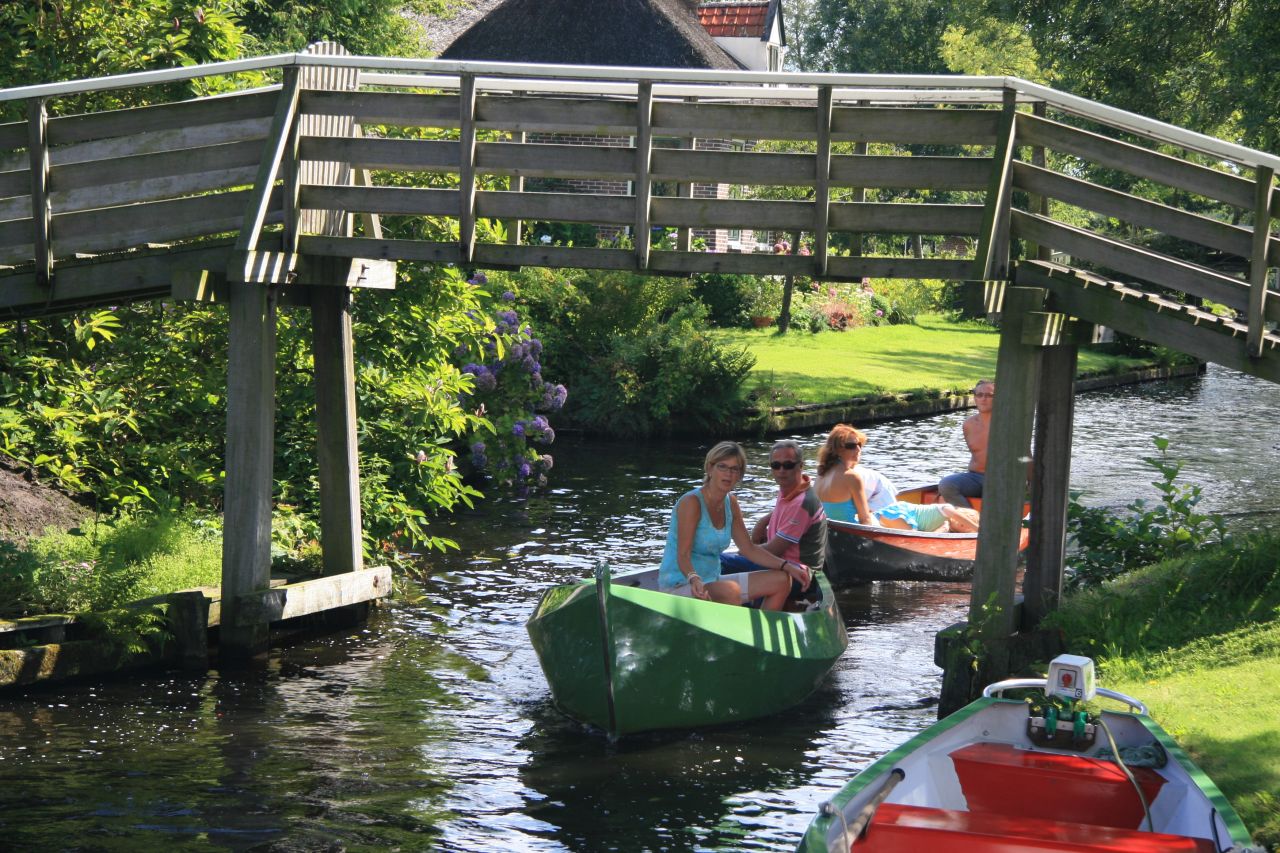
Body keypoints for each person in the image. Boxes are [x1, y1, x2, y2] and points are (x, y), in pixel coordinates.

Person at [658, 441, 811, 609]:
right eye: (722, 467)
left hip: (713, 580)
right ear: (710, 468)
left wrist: (788, 567)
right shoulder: (692, 502)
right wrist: (694, 578)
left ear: (740, 475)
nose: (728, 474)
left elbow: (748, 549)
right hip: (682, 584)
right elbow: (683, 555)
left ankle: (760, 634)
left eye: (734, 469)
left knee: (782, 580)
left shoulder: (730, 503)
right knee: (730, 591)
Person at [814, 424, 978, 533]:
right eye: (851, 446)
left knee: (894, 514)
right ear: (837, 450)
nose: (858, 449)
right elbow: (864, 520)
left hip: (835, 532)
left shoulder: (821, 475)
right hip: (855, 532)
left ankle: (939, 527)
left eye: (859, 445)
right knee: (893, 516)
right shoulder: (851, 476)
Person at [720, 440, 826, 598]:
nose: (781, 470)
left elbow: (774, 549)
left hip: (798, 575)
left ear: (800, 466)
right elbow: (763, 535)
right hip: (781, 566)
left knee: (719, 561)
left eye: (788, 465)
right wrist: (763, 521)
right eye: (776, 466)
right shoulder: (789, 490)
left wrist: (740, 554)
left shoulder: (802, 503)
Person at [938, 379, 993, 509]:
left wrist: (1031, 481)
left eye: (989, 395)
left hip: (1003, 479)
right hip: (976, 477)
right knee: (946, 485)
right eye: (979, 395)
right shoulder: (968, 424)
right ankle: (970, 521)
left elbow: (1025, 455)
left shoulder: (1009, 423)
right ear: (975, 398)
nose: (983, 399)